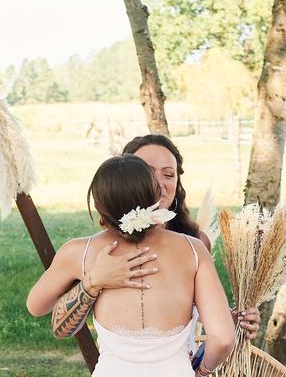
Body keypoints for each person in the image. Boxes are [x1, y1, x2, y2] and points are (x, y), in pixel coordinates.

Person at [27, 154, 235, 376]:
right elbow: (223, 338)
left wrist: (91, 282)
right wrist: (202, 371)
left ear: (99, 205)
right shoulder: (193, 250)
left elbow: (36, 306)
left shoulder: (80, 252)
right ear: (157, 193)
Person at [48, 134, 261, 342]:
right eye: (147, 172)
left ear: (177, 183)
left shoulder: (195, 243)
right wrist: (93, 282)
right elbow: (52, 318)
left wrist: (232, 320)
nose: (159, 183)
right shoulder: (98, 249)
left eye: (168, 174)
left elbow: (198, 313)